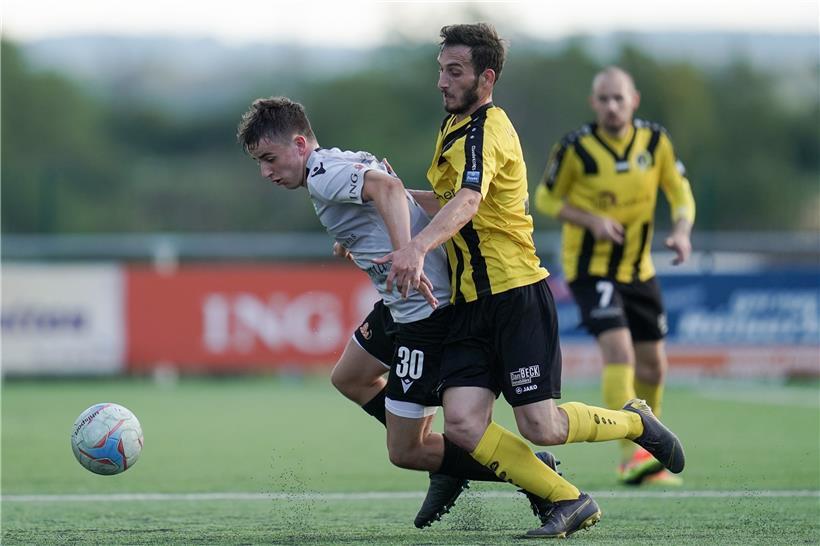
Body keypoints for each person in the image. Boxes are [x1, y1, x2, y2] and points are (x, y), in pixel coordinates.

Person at [380, 23, 685, 538]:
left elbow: (469, 201)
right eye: (441, 70)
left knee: (540, 426)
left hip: (515, 293)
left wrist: (417, 245)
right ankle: (568, 500)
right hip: (471, 305)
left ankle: (637, 422)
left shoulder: (486, 128)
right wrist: (385, 205)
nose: (443, 82)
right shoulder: (453, 127)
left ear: (486, 76)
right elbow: (444, 200)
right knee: (461, 425)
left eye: (454, 71)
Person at [235, 96, 561, 530]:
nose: (266, 172)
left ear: (299, 144)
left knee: (406, 451)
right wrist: (356, 235)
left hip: (424, 313)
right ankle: (455, 464)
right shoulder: (333, 161)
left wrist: (408, 252)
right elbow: (390, 191)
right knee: (349, 377)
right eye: (259, 162)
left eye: (270, 159)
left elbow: (387, 189)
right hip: (399, 303)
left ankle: (531, 474)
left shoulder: (324, 174)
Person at [533, 66, 696, 486]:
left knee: (654, 367)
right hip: (592, 269)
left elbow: (680, 193)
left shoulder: (655, 142)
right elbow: (546, 197)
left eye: (618, 98)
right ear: (594, 104)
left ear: (633, 100)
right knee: (619, 353)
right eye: (603, 99)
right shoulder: (575, 148)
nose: (611, 106)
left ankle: (650, 450)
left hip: (639, 269)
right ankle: (631, 454)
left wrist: (680, 232)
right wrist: (590, 220)